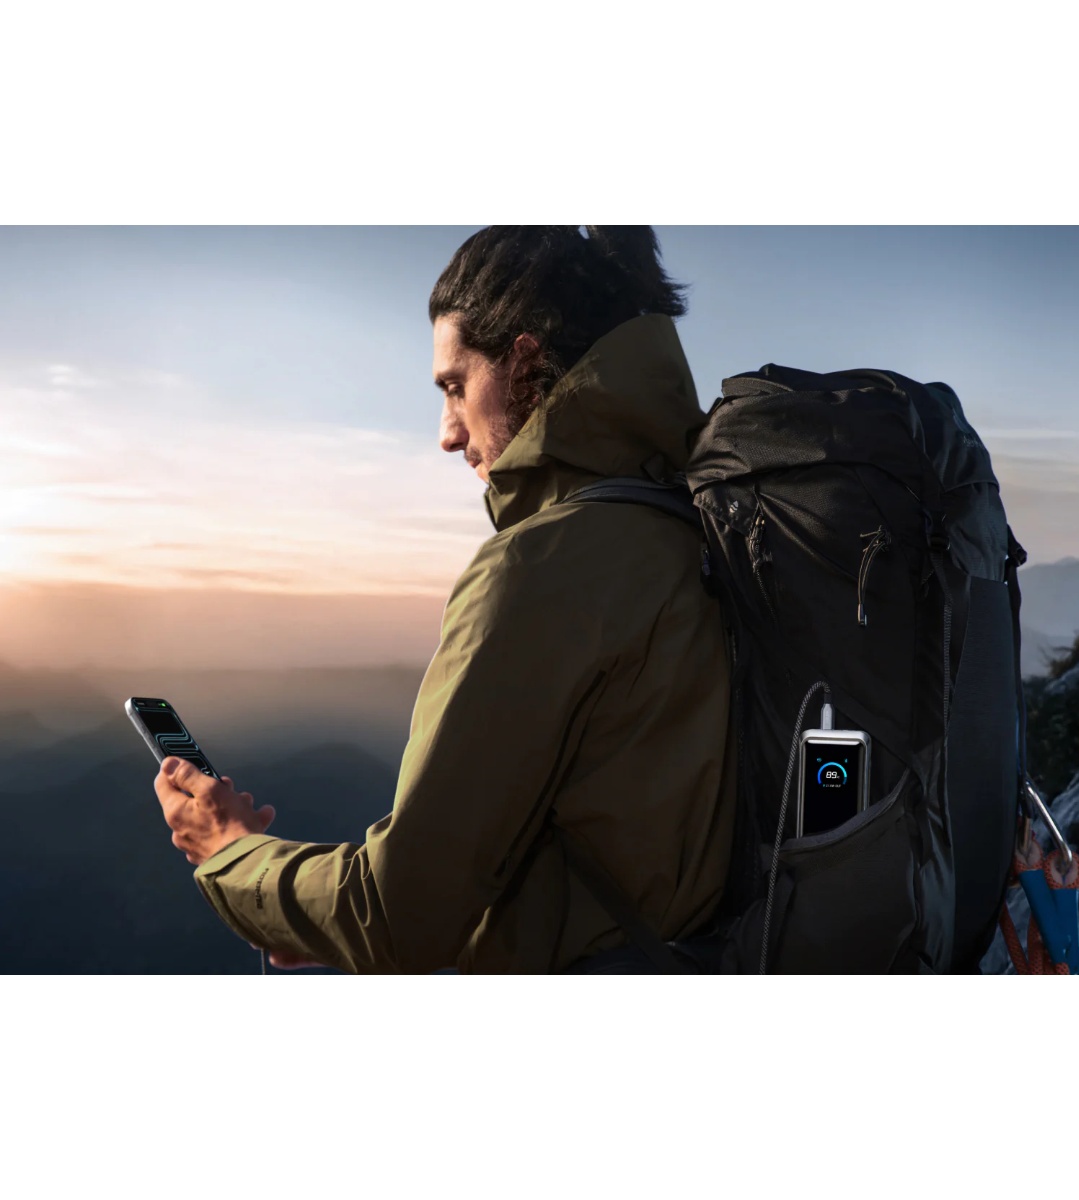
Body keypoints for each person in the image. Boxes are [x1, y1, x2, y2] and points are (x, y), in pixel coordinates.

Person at [153, 226, 736, 973]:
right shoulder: (700, 529)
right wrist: (315, 924)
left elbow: (396, 917)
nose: (447, 433)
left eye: (455, 386)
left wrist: (230, 853)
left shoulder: (541, 569)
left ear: (524, 363)